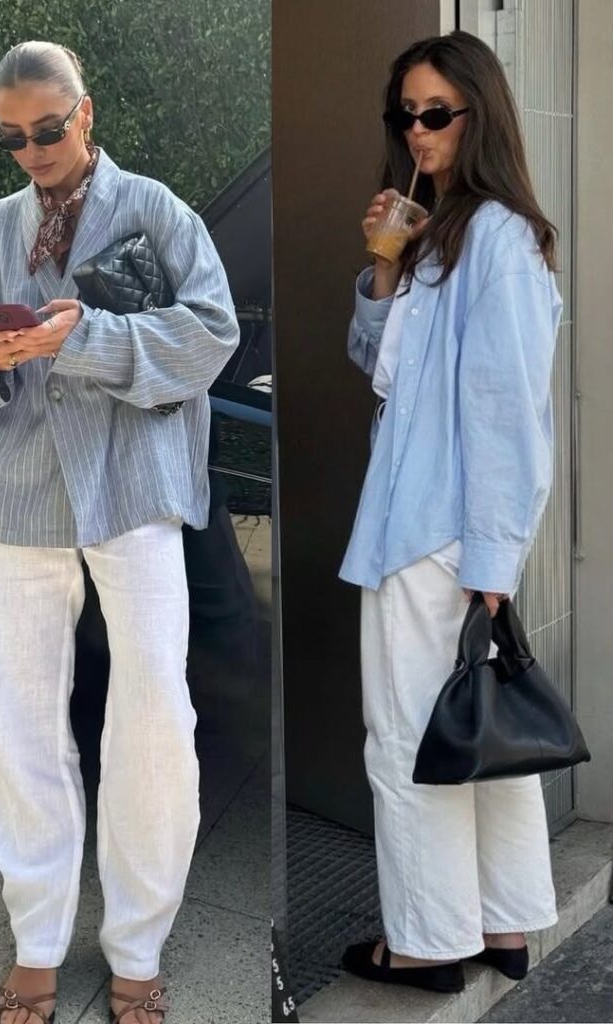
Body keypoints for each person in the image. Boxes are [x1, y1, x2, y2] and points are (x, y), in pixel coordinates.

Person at [0, 40, 239, 1024]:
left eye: (46, 127)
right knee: (17, 720)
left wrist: (91, 338)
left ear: (84, 112)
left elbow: (211, 332)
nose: (31, 149)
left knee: (156, 717)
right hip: (21, 488)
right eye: (11, 135)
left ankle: (137, 943)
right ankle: (35, 939)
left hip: (133, 483)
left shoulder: (155, 212)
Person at [338, 31, 562, 993]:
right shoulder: (442, 231)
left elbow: (512, 413)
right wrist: (387, 266)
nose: (417, 131)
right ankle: (504, 927)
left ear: (479, 115)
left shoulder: (500, 242)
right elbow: (375, 364)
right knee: (476, 731)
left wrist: (494, 563)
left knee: (406, 739)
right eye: (406, 114)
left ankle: (427, 942)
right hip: (433, 525)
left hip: (435, 535)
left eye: (435, 113)